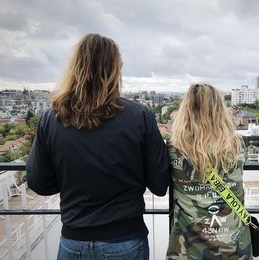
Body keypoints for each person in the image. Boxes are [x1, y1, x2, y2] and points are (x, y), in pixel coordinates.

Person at [26, 33, 170, 260]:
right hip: (125, 239)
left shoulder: (50, 119)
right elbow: (160, 184)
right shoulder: (138, 116)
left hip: (73, 241)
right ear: (115, 69)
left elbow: (39, 183)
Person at [166, 84, 252, 259]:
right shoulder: (237, 145)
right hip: (233, 247)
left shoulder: (174, 148)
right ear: (219, 110)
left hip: (187, 248)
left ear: (185, 110)